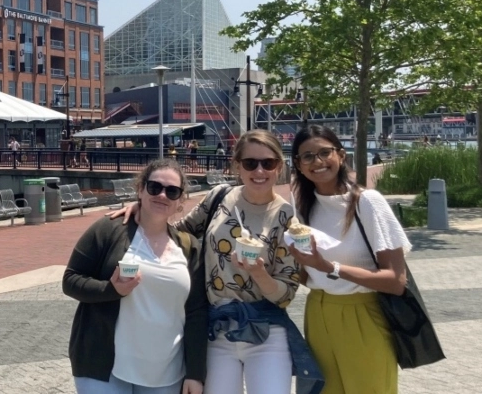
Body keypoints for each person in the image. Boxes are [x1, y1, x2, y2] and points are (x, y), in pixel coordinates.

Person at [109, 130, 321, 394]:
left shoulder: (288, 218)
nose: (259, 170)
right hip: (216, 329)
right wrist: (142, 206)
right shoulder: (220, 197)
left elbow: (285, 295)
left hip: (266, 331)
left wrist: (259, 274)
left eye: (268, 163)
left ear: (279, 167)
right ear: (237, 166)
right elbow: (177, 232)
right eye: (250, 163)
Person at [64, 158, 208, 394]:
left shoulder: (188, 247)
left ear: (180, 200)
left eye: (172, 191)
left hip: (165, 372)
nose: (162, 195)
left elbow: (197, 313)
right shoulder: (109, 229)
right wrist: (111, 290)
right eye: (154, 187)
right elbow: (70, 280)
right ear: (140, 189)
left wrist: (195, 372)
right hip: (104, 367)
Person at [286, 125, 411, 394]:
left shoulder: (367, 202)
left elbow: (396, 281)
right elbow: (309, 277)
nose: (317, 162)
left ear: (341, 155)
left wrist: (331, 267)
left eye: (324, 153)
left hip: (363, 314)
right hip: (318, 313)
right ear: (298, 164)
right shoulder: (304, 209)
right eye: (307, 156)